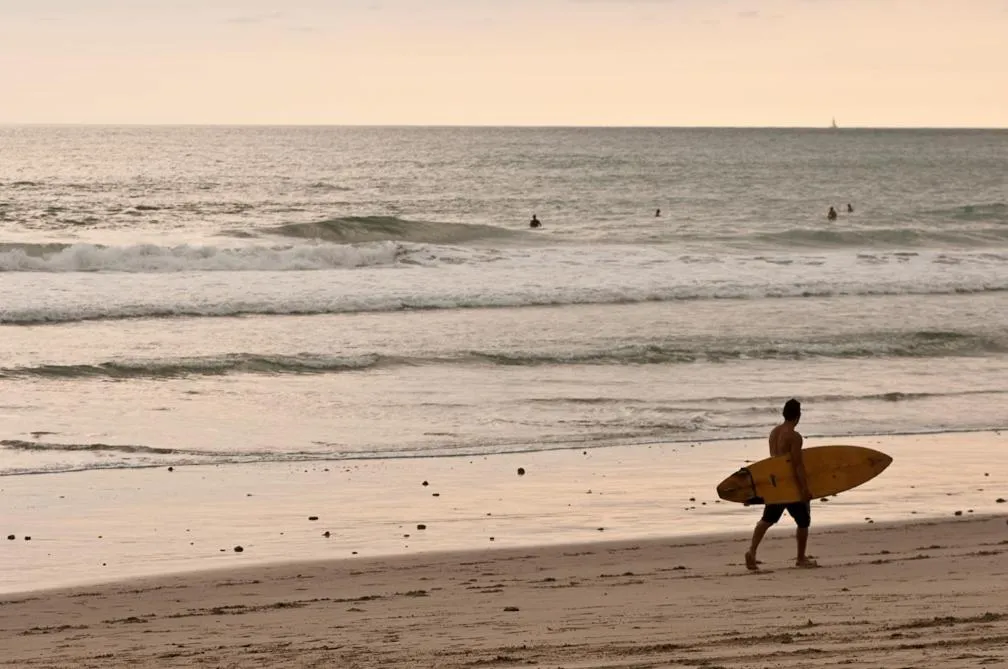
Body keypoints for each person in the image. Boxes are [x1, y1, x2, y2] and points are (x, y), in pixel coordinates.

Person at [745, 398, 817, 570]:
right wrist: (805, 488)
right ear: (798, 416)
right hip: (790, 486)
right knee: (803, 521)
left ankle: (752, 551)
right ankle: (801, 558)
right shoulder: (794, 436)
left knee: (767, 519)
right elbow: (797, 464)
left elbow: (774, 460)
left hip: (775, 482)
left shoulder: (774, 432)